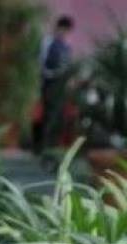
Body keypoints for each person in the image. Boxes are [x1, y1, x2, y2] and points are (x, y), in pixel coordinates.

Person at [34, 15, 74, 150]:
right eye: (64, 30)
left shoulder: (65, 45)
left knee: (59, 115)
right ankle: (42, 146)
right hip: (50, 83)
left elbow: (68, 65)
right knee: (48, 114)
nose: (65, 33)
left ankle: (53, 145)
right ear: (58, 28)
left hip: (61, 85)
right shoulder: (48, 42)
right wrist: (51, 74)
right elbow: (42, 63)